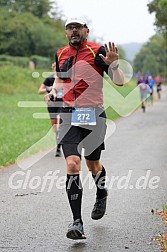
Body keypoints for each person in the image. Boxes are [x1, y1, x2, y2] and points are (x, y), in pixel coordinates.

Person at [45, 17, 124, 240]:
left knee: (93, 165)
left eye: (78, 28)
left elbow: (119, 82)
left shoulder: (98, 51)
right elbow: (60, 81)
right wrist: (54, 92)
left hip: (94, 115)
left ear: (86, 31)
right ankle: (77, 222)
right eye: (70, 28)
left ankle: (101, 191)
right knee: (72, 163)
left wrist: (114, 64)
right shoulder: (61, 54)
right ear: (65, 33)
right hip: (69, 115)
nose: (74, 31)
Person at [38, 62, 63, 157]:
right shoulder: (49, 79)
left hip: (62, 103)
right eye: (56, 69)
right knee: (55, 127)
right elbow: (40, 91)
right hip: (52, 105)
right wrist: (49, 89)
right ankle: (58, 142)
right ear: (53, 69)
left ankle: (59, 147)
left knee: (60, 123)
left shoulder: (65, 79)